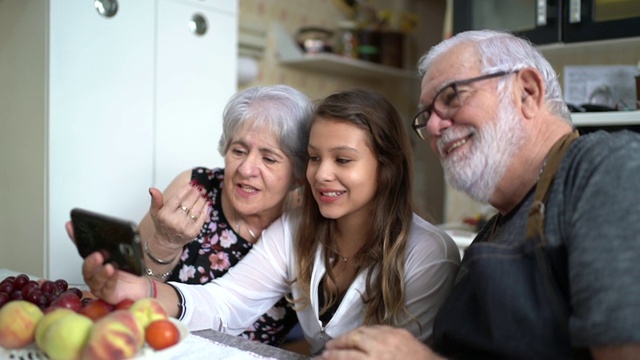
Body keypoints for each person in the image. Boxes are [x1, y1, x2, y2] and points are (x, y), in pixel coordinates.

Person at [319, 29, 640, 360]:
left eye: (451, 97)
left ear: (527, 93)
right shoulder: (494, 230)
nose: (432, 127)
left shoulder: (607, 168)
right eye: (427, 115)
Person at [76, 88, 460, 355]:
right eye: (314, 157)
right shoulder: (296, 228)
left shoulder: (428, 254)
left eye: (342, 160)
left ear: (387, 168)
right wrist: (139, 289)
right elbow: (225, 303)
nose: (321, 174)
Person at [69, 85, 314, 346]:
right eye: (239, 151)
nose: (246, 168)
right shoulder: (194, 190)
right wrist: (165, 244)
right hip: (165, 345)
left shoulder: (306, 222)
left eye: (269, 158)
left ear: (299, 173)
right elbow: (132, 293)